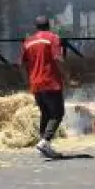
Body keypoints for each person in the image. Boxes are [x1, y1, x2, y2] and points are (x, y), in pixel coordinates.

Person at [21, 17, 65, 158]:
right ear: (49, 25)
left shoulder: (28, 42)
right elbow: (58, 58)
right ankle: (45, 141)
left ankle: (43, 145)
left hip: (36, 84)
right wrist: (68, 74)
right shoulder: (52, 38)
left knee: (45, 114)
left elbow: (21, 65)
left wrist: (27, 80)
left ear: (36, 26)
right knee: (57, 113)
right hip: (50, 82)